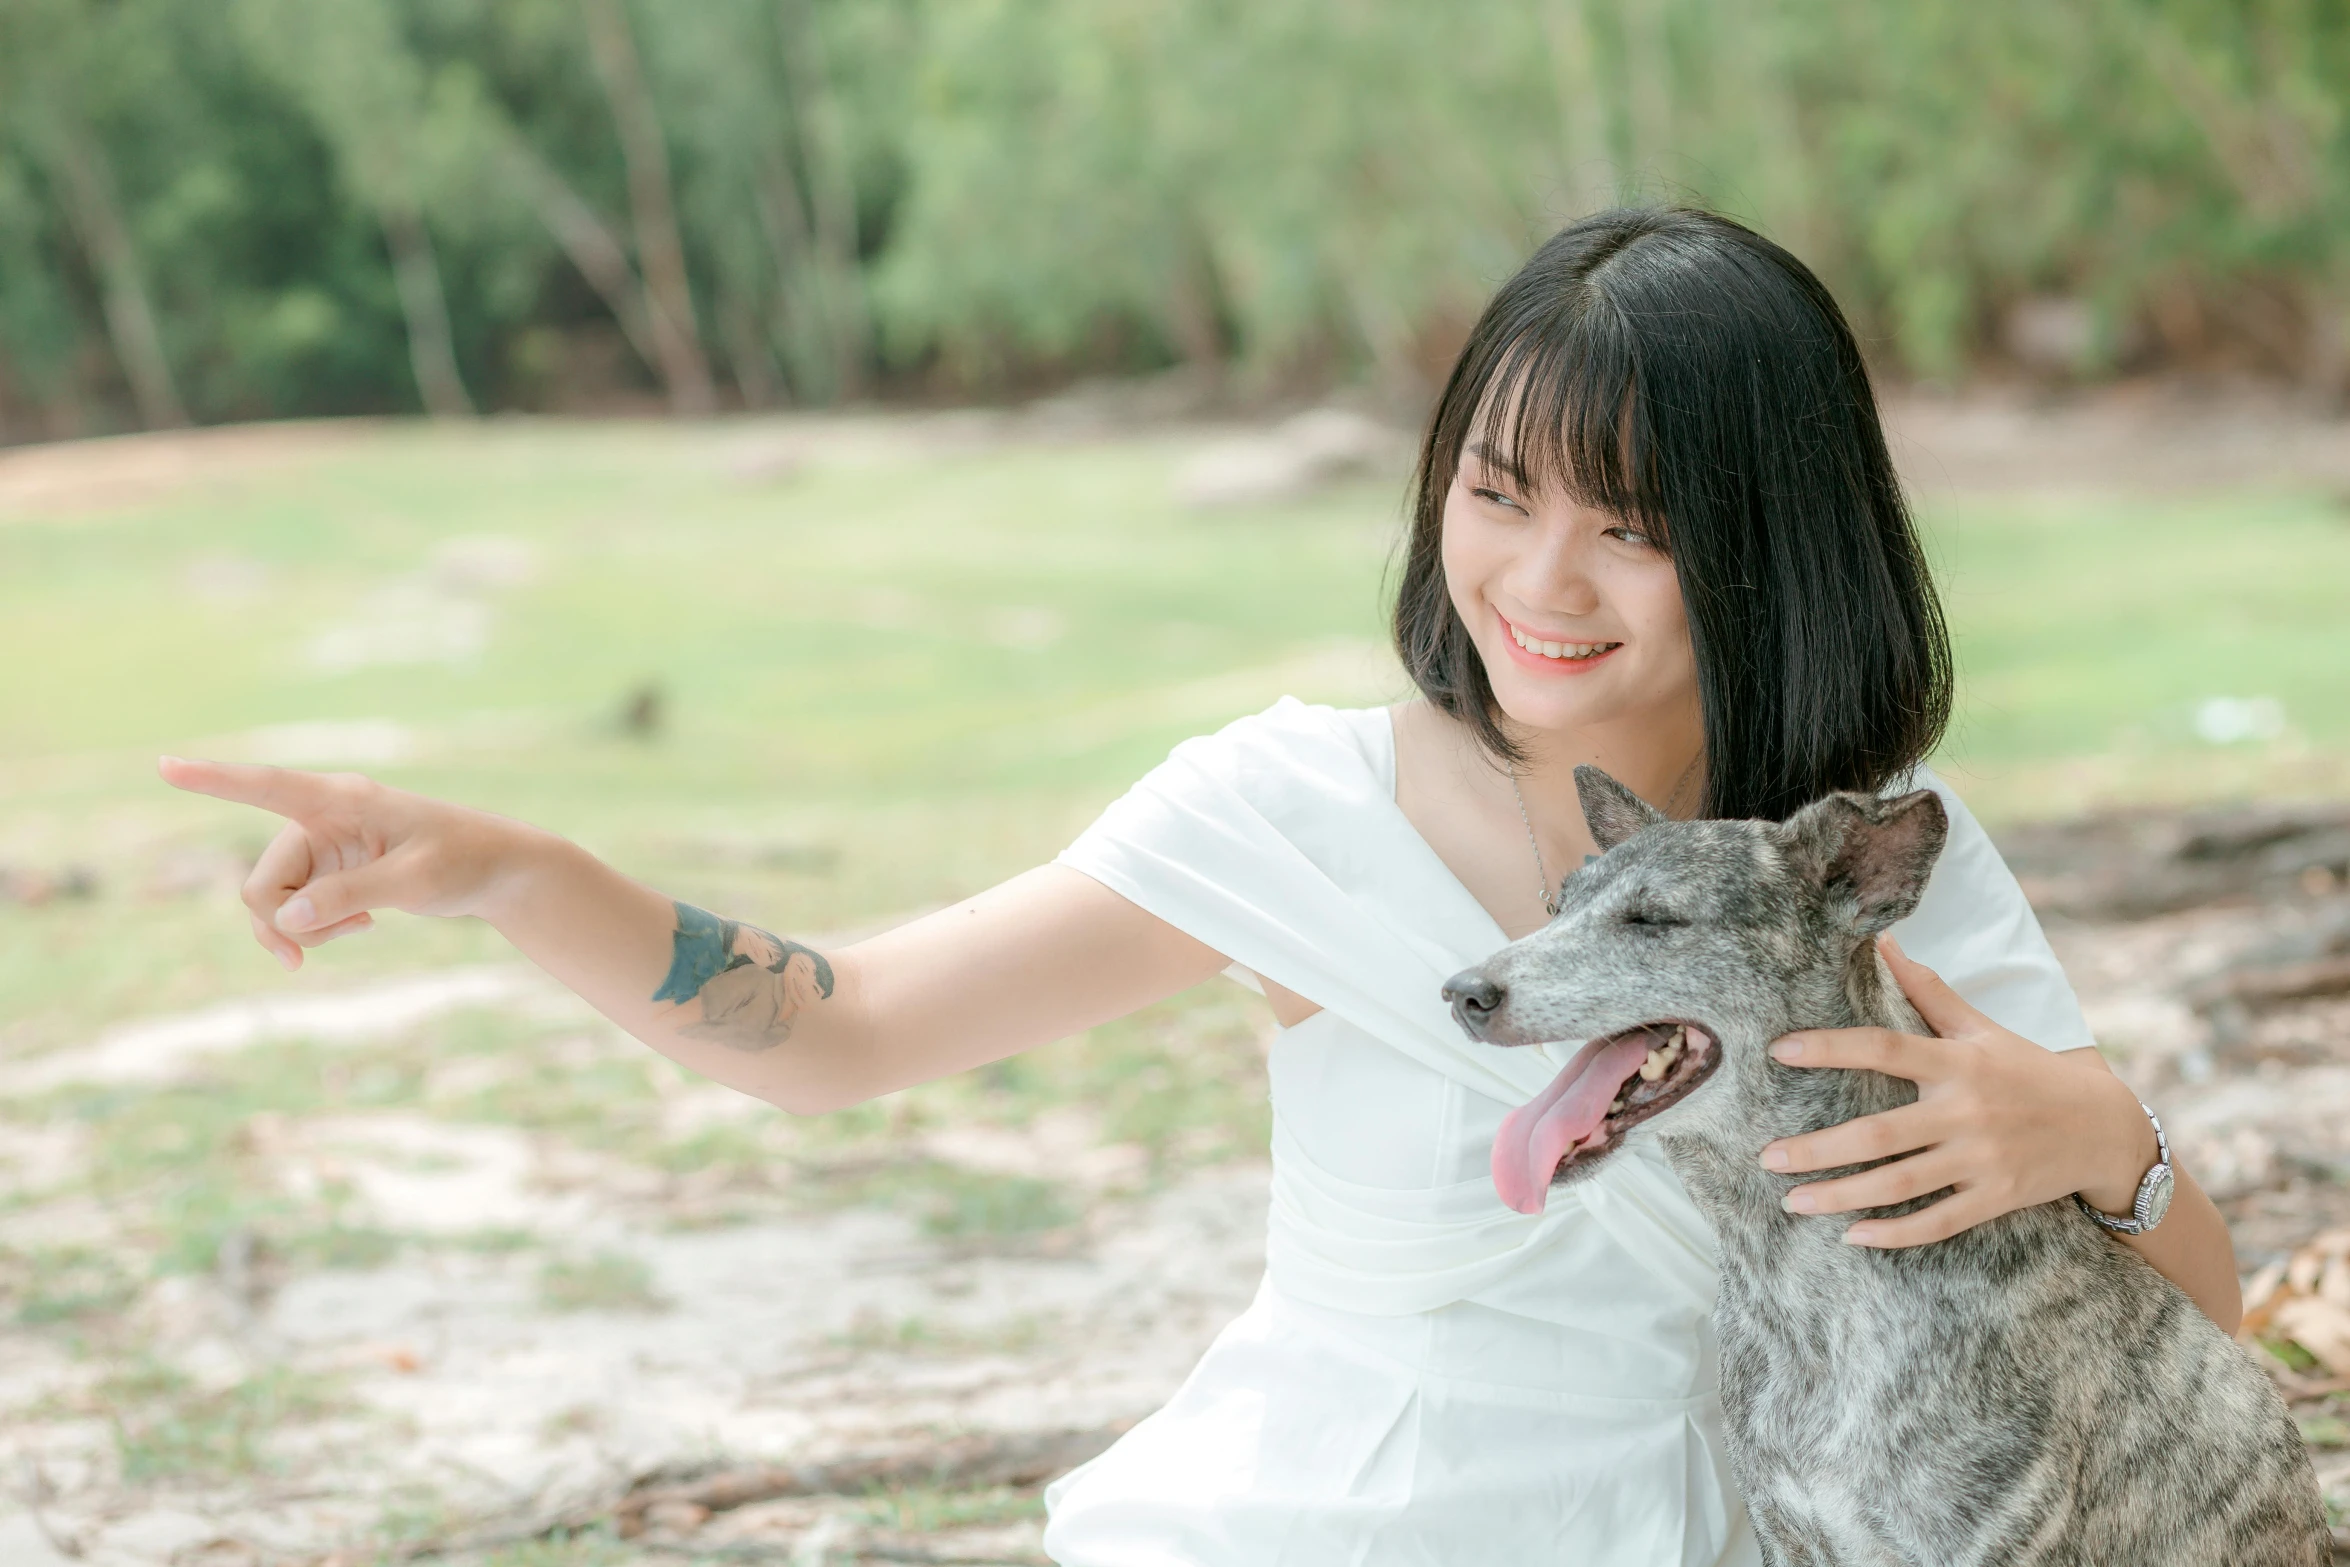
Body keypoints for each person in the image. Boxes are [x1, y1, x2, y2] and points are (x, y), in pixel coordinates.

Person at [162, 207, 2238, 1565]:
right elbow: (838, 1028)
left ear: (1774, 540)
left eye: (1630, 526)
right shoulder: (1294, 811)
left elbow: (2177, 1345)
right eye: (1495, 496)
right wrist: (523, 874)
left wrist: (2108, 1134)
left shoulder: (1865, 881)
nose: (1535, 581)